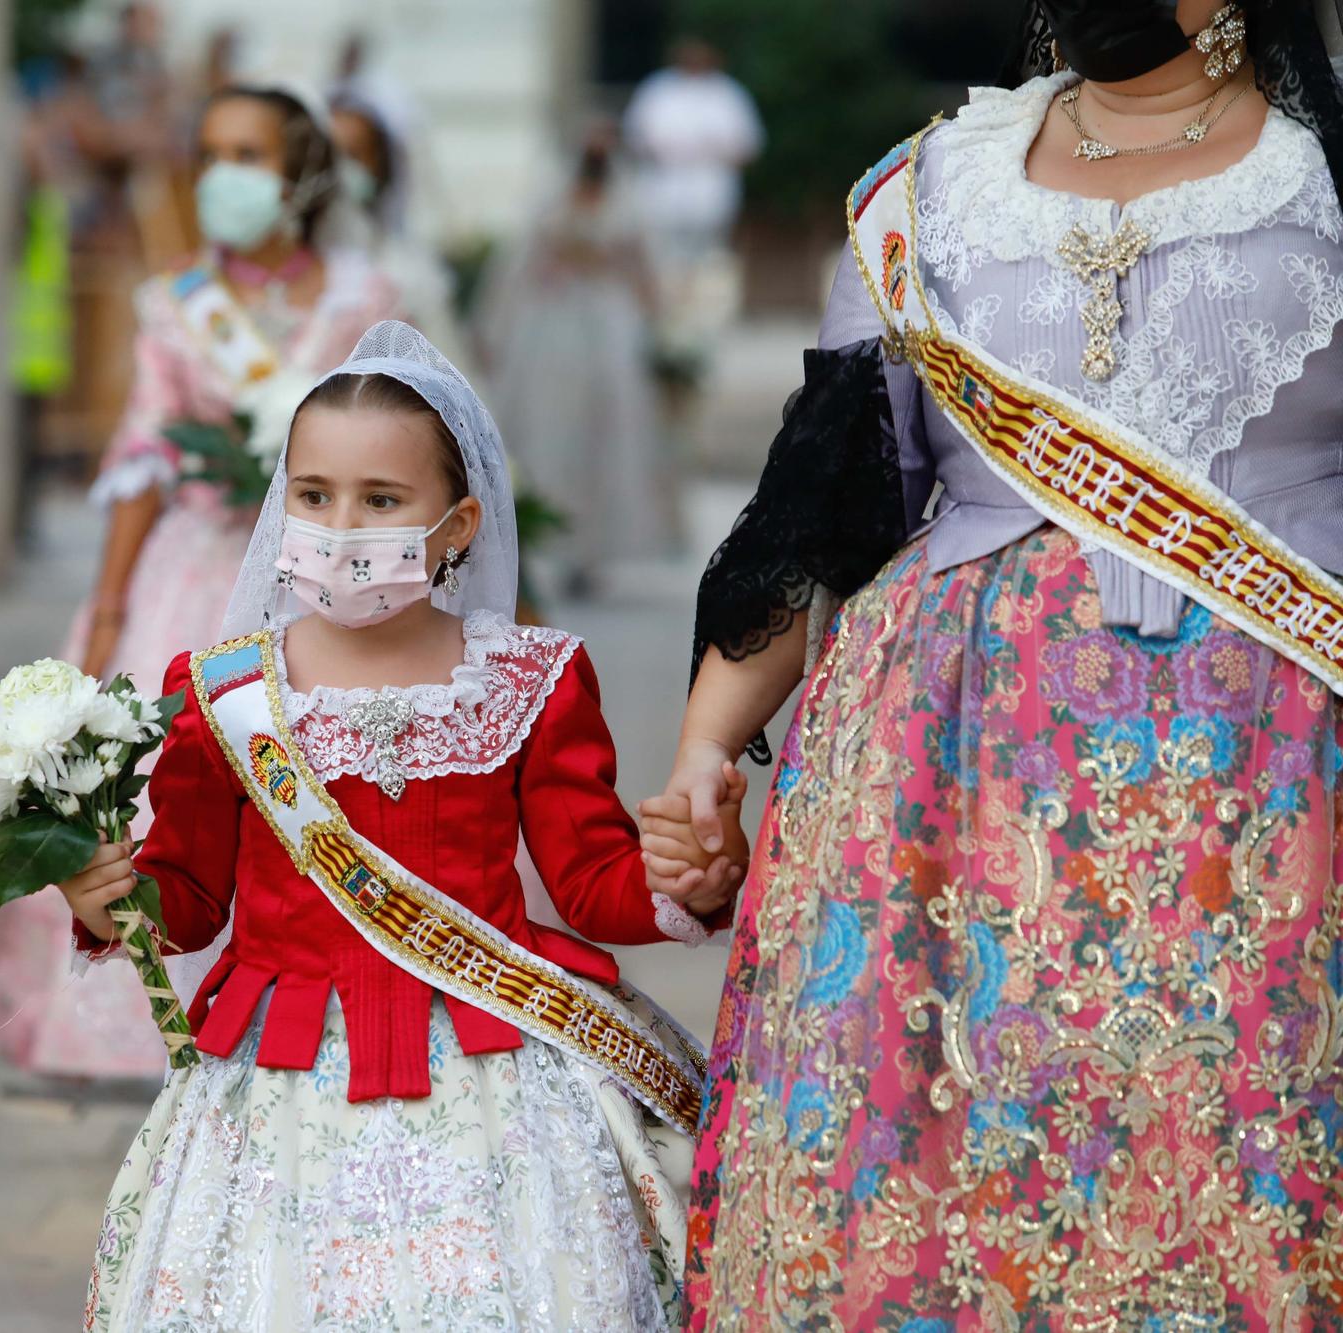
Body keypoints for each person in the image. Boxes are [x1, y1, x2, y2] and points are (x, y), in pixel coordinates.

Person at [648, 1, 1343, 1324]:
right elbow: (831, 502)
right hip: (940, 776)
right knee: (942, 1145)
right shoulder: (927, 189)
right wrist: (701, 751)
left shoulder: (1325, 172)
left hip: (1270, 761)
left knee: (1236, 1130)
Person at [59, 322, 716, 1330]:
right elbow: (186, 904)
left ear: (455, 526)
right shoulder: (225, 691)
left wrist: (686, 879)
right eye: (313, 495)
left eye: (379, 501)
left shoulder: (528, 679)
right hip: (275, 1080)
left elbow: (592, 885)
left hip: (494, 1072)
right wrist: (108, 900)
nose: (339, 526)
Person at [0, 83, 402, 1085]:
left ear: (299, 174)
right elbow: (142, 456)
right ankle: (162, 1017)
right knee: (166, 787)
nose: (223, 176)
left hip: (320, 580)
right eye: (210, 153)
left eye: (248, 154)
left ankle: (317, 998)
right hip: (193, 570)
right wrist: (110, 611)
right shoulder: (174, 305)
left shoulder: (363, 297)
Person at [479, 125, 665, 597]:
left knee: (606, 436)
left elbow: (644, 270)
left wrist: (663, 335)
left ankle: (593, 550)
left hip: (608, 329)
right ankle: (549, 543)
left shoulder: (628, 204)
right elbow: (517, 267)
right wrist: (496, 330)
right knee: (550, 431)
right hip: (554, 329)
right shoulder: (552, 201)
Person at [620, 39, 761, 365]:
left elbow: (746, 146)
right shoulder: (657, 90)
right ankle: (664, 330)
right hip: (663, 195)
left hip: (710, 196)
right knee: (663, 264)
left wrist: (709, 149)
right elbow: (636, 138)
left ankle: (702, 335)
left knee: (707, 268)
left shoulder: (727, 94)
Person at [330, 90, 473, 367]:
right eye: (330, 154)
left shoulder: (405, 267)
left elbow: (444, 365)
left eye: (354, 154)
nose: (339, 168)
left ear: (381, 165)